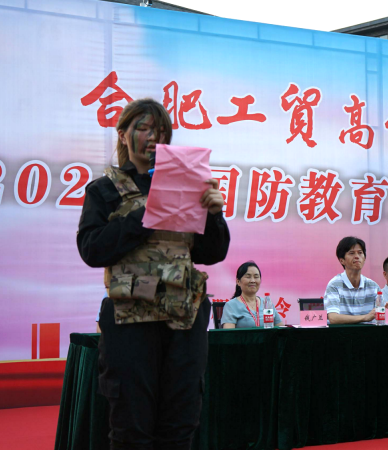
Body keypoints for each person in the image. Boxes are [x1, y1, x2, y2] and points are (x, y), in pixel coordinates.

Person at [77, 98, 230, 449]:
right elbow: (92, 249)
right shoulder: (104, 189)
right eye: (143, 128)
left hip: (184, 319)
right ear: (123, 135)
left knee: (181, 424)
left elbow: (212, 253)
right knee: (131, 427)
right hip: (130, 320)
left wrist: (213, 215)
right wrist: (147, 213)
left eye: (160, 131)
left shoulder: (188, 188)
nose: (152, 137)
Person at [324, 236, 385, 324]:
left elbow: (380, 315)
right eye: (351, 253)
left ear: (364, 259)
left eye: (360, 253)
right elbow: (333, 318)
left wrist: (384, 312)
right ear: (342, 260)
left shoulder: (373, 286)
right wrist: (365, 317)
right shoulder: (334, 285)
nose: (357, 256)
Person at [221, 262, 283, 328]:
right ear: (238, 281)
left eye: (256, 277)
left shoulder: (266, 303)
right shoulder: (231, 306)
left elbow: (282, 330)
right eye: (248, 277)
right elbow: (229, 333)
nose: (253, 281)